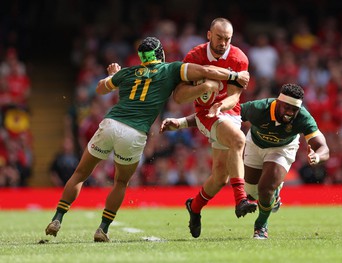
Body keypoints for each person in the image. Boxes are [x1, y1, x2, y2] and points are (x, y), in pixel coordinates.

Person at [44, 36, 250, 242]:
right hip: (134, 133)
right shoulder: (170, 69)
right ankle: (103, 229)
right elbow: (206, 71)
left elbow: (100, 88)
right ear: (160, 53)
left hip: (110, 124)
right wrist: (234, 75)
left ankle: (58, 218)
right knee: (121, 181)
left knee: (80, 173)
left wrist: (113, 77)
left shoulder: (128, 71)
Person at [160, 83, 330, 239]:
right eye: (287, 107)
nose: (290, 113)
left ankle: (261, 225)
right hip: (255, 145)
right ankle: (273, 196)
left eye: (294, 109)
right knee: (251, 194)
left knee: (265, 188)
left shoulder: (303, 117)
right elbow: (217, 116)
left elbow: (323, 148)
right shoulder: (258, 108)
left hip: (283, 148)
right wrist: (181, 123)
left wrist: (318, 156)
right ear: (278, 102)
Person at [170, 17, 257, 238]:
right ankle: (241, 200)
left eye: (227, 39)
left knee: (220, 178)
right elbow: (179, 97)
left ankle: (195, 207)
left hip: (228, 112)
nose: (223, 43)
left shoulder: (239, 58)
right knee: (239, 140)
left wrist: (220, 105)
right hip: (205, 115)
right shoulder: (194, 56)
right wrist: (205, 88)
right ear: (209, 35)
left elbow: (235, 96)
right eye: (219, 38)